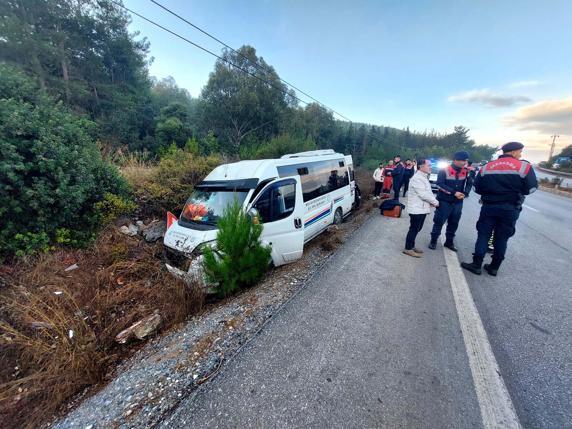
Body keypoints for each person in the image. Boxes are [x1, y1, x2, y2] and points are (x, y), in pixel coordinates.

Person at [461, 142, 538, 276]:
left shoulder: (487, 167)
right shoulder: (524, 166)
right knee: (502, 238)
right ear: (514, 152)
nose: (520, 155)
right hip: (510, 208)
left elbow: (476, 188)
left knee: (484, 235)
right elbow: (531, 188)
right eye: (520, 152)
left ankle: (476, 264)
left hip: (489, 206)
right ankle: (494, 267)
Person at [428, 151, 473, 251]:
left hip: (458, 202)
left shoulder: (466, 171)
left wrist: (465, 193)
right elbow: (440, 183)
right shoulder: (444, 170)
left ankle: (449, 242)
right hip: (445, 201)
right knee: (439, 221)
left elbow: (470, 183)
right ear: (455, 160)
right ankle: (433, 240)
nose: (464, 162)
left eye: (466, 160)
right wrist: (453, 192)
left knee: (454, 223)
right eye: (462, 160)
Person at [403, 158, 439, 258]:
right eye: (429, 165)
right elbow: (423, 194)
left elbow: (428, 193)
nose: (430, 167)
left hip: (421, 208)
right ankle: (408, 248)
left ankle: (412, 245)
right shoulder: (417, 178)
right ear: (421, 166)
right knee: (414, 228)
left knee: (418, 228)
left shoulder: (423, 177)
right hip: (416, 208)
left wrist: (431, 202)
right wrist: (436, 202)